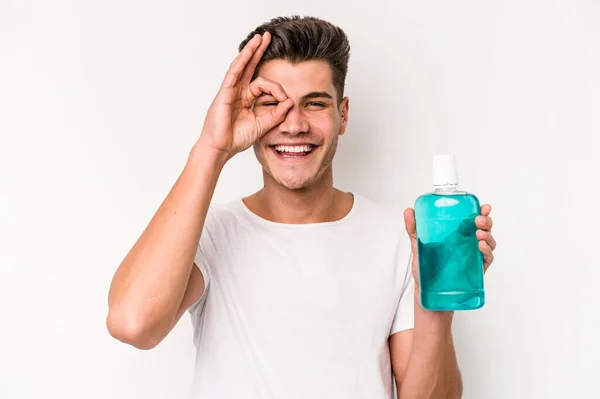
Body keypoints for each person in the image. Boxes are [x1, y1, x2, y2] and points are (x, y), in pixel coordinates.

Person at [106, 15, 497, 399]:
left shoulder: (402, 236)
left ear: (342, 115)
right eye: (273, 104)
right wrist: (212, 148)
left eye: (314, 104)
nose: (293, 125)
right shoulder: (209, 233)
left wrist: (437, 291)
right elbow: (133, 323)